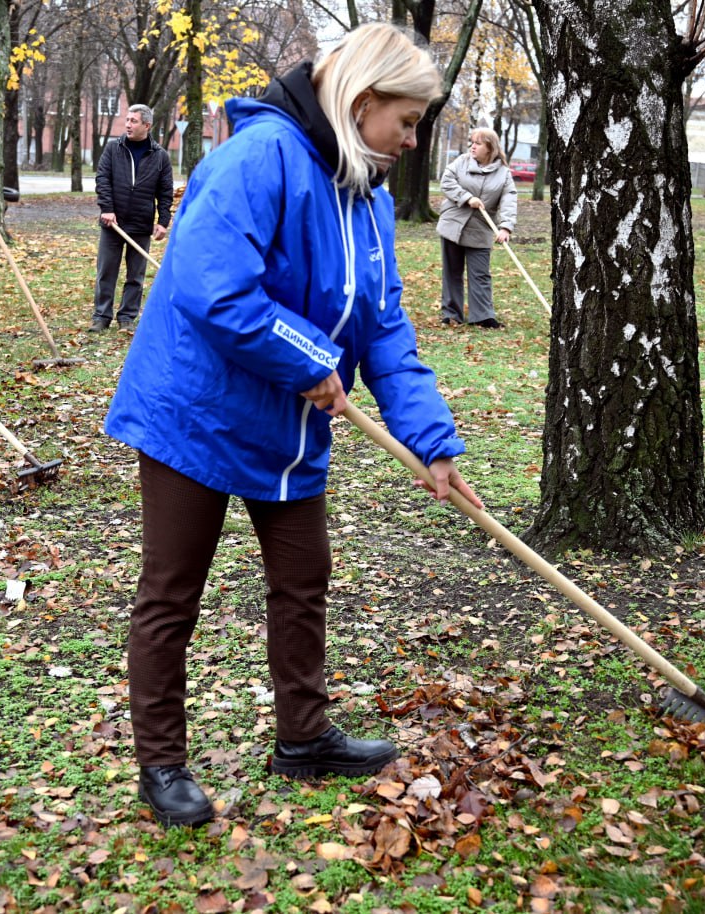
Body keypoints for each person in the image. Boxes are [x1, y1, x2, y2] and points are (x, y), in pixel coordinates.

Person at [104, 22, 484, 828]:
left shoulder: (367, 196)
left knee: (304, 572)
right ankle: (161, 761)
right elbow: (216, 291)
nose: (412, 142)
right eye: (407, 122)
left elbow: (382, 330)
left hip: (287, 424)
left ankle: (303, 739)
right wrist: (311, 359)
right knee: (173, 589)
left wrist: (433, 442)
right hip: (196, 412)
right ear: (363, 100)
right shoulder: (259, 158)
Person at [89, 104, 174, 331]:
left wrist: (163, 221)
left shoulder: (160, 157)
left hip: (140, 223)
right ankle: (101, 316)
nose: (128, 124)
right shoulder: (112, 149)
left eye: (133, 121)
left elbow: (165, 193)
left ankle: (127, 317)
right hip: (113, 223)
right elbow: (102, 179)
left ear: (147, 125)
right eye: (127, 119)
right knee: (106, 271)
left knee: (136, 276)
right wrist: (106, 208)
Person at [436, 126, 517, 329]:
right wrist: (466, 197)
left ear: (490, 148)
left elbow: (509, 200)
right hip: (453, 223)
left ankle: (482, 315)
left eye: (478, 143)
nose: (472, 147)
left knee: (480, 273)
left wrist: (505, 227)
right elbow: (446, 182)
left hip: (481, 227)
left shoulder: (504, 174)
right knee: (452, 271)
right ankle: (452, 314)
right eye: (471, 142)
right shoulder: (461, 162)